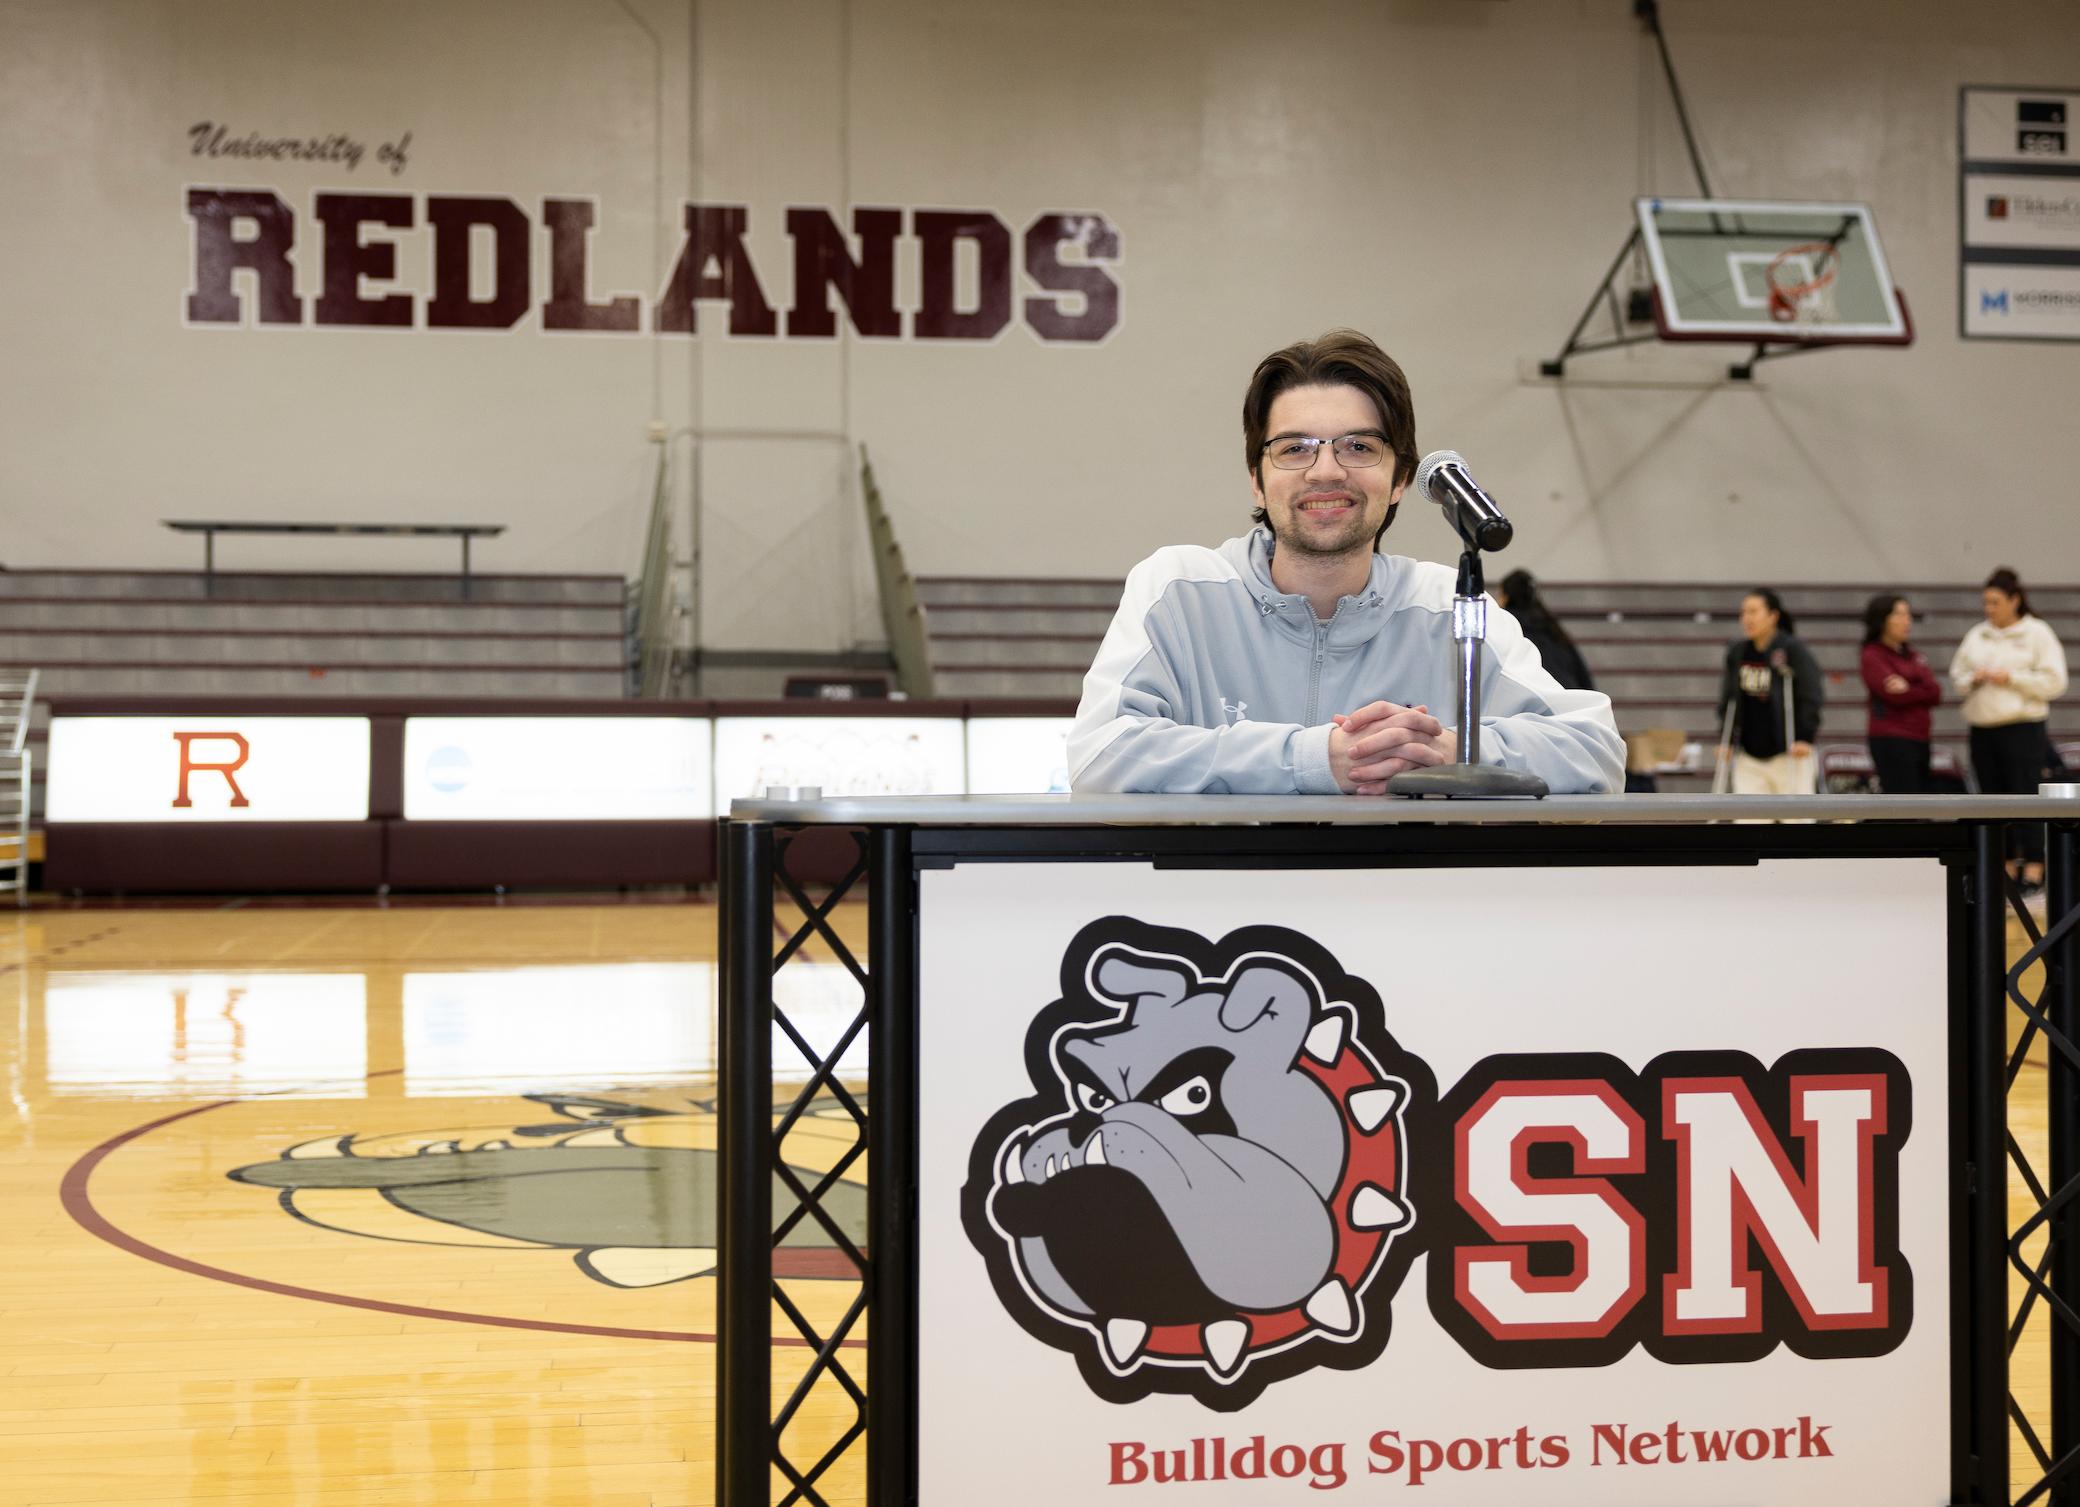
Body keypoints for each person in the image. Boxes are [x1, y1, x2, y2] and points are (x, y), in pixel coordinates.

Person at [1068, 329, 1624, 796]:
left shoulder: (1450, 605)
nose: (1326, 471)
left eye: (1359, 447)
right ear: (1256, 481)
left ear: (1401, 478)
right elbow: (1101, 757)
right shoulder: (1179, 589)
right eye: (1294, 448)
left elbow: (1596, 751)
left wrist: (1452, 751)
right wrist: (1316, 758)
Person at [1950, 566, 2069, 895]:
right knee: (1991, 798)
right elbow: (1956, 677)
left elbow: (2055, 682)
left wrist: (2011, 678)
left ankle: (2033, 867)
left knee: (2025, 794)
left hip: (2023, 728)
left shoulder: (2037, 633)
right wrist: (1974, 678)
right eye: (1986, 603)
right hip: (1983, 728)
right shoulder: (1977, 635)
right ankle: (1998, 867)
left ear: (2015, 600)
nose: (1989, 609)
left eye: (1996, 602)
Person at [1715, 588, 1823, 794]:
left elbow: (1811, 693)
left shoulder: (1792, 650)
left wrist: (1805, 737)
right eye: (1743, 613)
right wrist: (1726, 740)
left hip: (1789, 753)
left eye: (1753, 612)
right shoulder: (1738, 652)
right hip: (1749, 756)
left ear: (1773, 616)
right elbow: (1729, 697)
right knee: (1749, 820)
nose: (1746, 618)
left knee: (1796, 818)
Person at [1859, 593, 1940, 794]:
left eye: (1909, 615)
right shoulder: (1872, 655)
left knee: (1923, 803)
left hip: (1920, 737)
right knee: (1904, 805)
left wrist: (1909, 688)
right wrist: (1920, 688)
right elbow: (1894, 695)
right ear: (1883, 620)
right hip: (1891, 739)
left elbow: (1936, 693)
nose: (1907, 621)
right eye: (1900, 615)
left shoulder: (1914, 656)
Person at [1495, 569, 1595, 692]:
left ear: (1506, 597)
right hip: (1573, 701)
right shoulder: (1551, 627)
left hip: (1546, 703)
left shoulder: (1508, 627)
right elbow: (1583, 676)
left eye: (1499, 595)